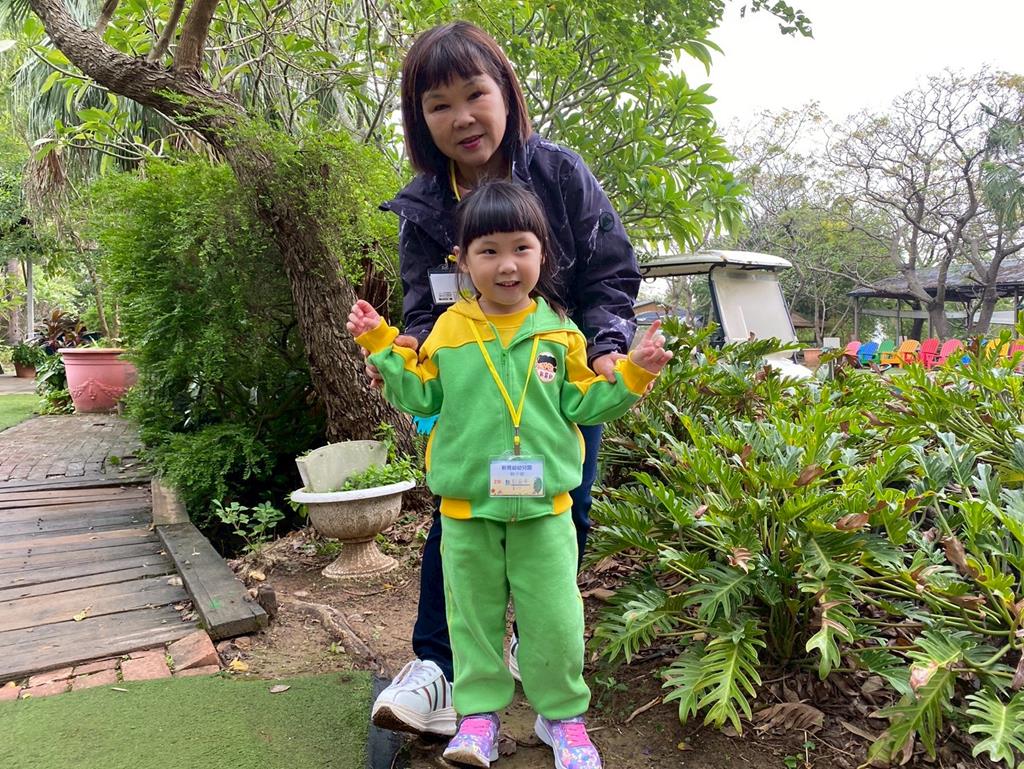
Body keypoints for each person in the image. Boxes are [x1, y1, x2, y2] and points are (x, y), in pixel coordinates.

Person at [369, 20, 641, 740]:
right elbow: (423, 305)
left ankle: (538, 653)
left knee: (564, 518)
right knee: (456, 524)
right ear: (420, 119)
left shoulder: (558, 175)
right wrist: (412, 352)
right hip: (470, 396)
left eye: (474, 94)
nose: (461, 117)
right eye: (438, 104)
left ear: (506, 94)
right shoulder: (424, 207)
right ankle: (439, 667)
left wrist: (608, 348)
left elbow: (611, 273)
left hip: (552, 385)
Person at [348, 181, 670, 769]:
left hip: (546, 512)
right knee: (471, 621)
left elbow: (584, 403)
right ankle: (478, 720)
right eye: (488, 250)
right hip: (466, 512)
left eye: (521, 247)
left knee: (555, 620)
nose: (506, 265)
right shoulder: (448, 332)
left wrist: (633, 374)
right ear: (463, 261)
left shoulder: (561, 332)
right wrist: (380, 345)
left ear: (543, 253)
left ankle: (562, 720)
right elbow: (420, 396)